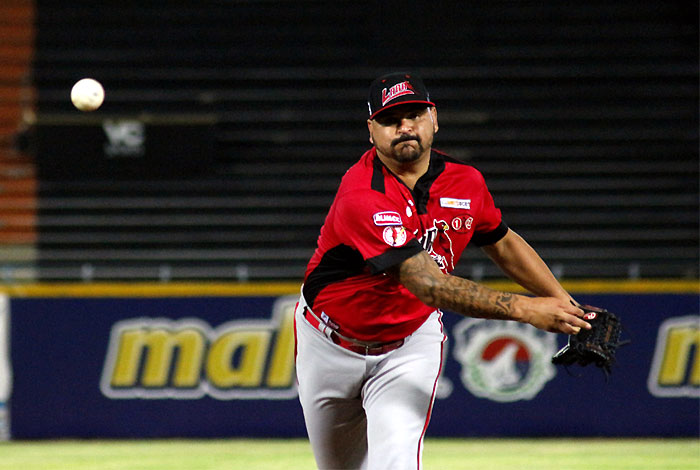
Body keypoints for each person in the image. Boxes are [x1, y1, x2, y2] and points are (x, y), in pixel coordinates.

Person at [294, 71, 590, 470]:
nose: (404, 127)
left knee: (396, 464)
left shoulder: (466, 182)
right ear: (371, 131)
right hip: (328, 343)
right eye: (390, 119)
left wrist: (564, 304)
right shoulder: (362, 193)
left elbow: (501, 241)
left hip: (409, 343)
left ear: (434, 118)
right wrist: (526, 310)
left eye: (414, 114)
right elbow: (429, 285)